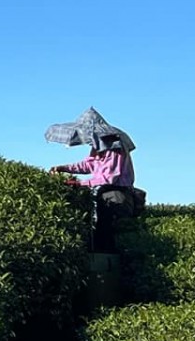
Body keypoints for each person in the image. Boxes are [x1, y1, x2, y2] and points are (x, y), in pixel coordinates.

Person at [46, 107, 139, 249]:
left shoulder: (113, 144)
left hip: (116, 194)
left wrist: (79, 184)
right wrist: (64, 168)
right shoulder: (99, 145)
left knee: (111, 233)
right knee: (101, 230)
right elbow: (89, 165)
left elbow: (108, 177)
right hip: (106, 192)